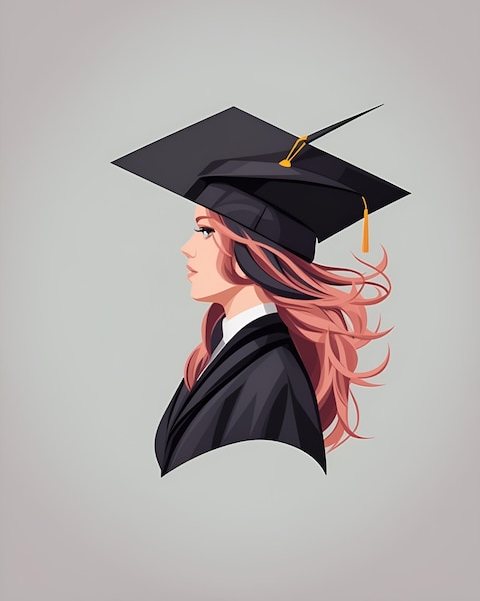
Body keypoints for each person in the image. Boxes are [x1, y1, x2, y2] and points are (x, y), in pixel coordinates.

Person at [112, 106, 409, 476]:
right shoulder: (221, 350)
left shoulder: (274, 375)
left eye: (205, 231)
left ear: (251, 249)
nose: (187, 247)